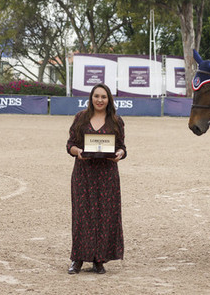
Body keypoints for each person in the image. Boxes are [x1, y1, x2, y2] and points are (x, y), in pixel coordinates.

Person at [65, 83, 126, 275]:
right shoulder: (81, 118)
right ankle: (78, 259)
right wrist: (78, 151)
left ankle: (99, 259)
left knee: (105, 217)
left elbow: (123, 147)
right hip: (84, 174)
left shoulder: (116, 121)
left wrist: (120, 153)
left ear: (109, 100)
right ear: (91, 98)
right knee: (82, 216)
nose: (100, 100)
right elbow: (70, 145)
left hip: (107, 175)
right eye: (96, 96)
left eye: (104, 97)